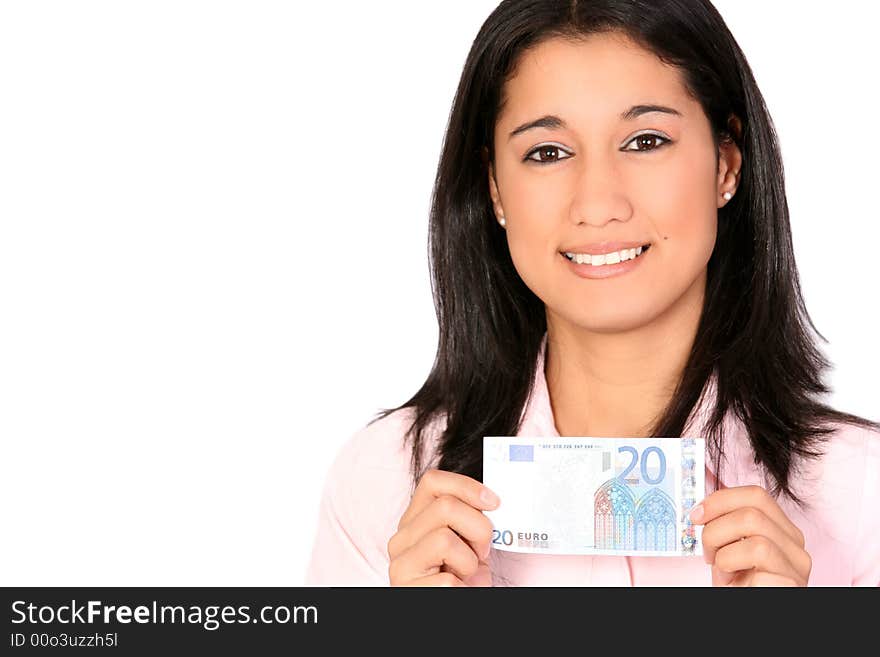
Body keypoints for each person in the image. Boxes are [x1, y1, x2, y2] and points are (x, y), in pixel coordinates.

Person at [304, 0, 880, 586]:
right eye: (547, 153)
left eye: (647, 140)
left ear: (726, 164)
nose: (599, 204)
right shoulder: (385, 488)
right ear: (496, 189)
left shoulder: (860, 496)